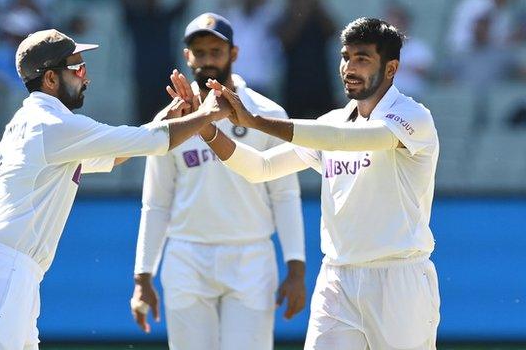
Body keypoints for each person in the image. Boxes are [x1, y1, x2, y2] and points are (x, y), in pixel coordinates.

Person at [0, 29, 230, 350]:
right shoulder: (51, 125)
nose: (86, 77)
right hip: (4, 273)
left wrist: (166, 118)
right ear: (51, 79)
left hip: (13, 273)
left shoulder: (38, 121)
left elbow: (117, 153)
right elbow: (152, 142)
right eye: (77, 68)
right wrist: (209, 114)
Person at [179, 17, 440, 349]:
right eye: (345, 57)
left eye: (362, 59)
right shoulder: (332, 121)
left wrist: (255, 121)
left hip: (398, 280)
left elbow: (342, 140)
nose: (349, 67)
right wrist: (206, 129)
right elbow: (260, 167)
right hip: (337, 279)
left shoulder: (413, 117)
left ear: (391, 69)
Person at [130, 13, 306, 350]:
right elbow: (156, 202)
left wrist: (295, 268)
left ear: (234, 54)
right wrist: (143, 275)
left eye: (216, 51)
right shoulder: (170, 120)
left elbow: (285, 195)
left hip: (251, 256)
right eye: (200, 52)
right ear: (187, 57)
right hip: (186, 256)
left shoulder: (266, 114)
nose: (208, 60)